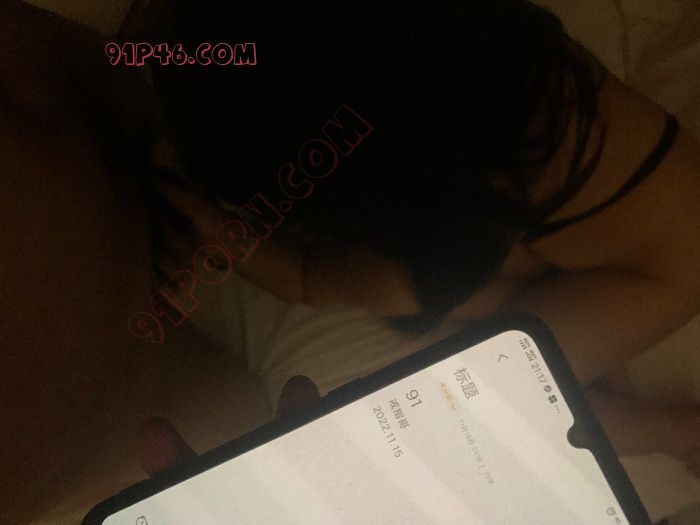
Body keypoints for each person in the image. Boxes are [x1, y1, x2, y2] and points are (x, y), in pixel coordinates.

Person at [1, 0, 700, 522]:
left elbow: (310, 280)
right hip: (610, 208)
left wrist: (227, 238)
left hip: (655, 274)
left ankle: (679, 430)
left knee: (487, 387)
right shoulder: (467, 50)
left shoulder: (440, 240)